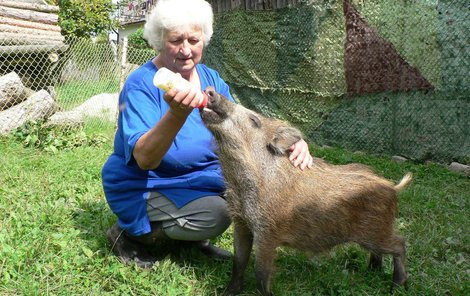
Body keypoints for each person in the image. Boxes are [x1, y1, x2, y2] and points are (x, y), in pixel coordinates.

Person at [102, 0, 314, 268]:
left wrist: (290, 138)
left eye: (193, 39)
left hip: (201, 180)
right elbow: (145, 158)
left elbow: (244, 122)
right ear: (158, 40)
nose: (186, 50)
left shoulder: (211, 79)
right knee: (218, 215)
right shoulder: (141, 85)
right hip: (150, 183)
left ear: (204, 39)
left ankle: (190, 237)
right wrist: (176, 115)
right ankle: (133, 236)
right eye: (176, 40)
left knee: (249, 195)